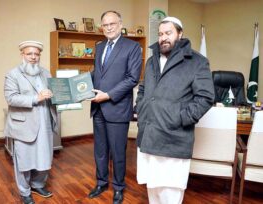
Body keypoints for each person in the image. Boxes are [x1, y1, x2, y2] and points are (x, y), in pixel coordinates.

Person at [136, 17, 215, 204]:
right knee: (153, 190)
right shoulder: (151, 60)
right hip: (149, 135)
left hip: (174, 138)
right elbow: (143, 89)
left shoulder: (197, 62)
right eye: (161, 34)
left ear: (180, 34)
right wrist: (141, 107)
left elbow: (205, 98)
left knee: (170, 194)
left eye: (168, 33)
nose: (163, 38)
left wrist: (180, 118)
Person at [89, 10, 142, 204]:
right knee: (100, 151)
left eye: (112, 23)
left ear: (120, 24)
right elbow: (98, 74)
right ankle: (101, 182)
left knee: (118, 152)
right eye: (105, 24)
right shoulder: (100, 46)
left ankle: (119, 187)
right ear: (101, 27)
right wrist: (79, 86)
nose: (109, 27)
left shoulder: (133, 47)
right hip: (98, 109)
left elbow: (132, 78)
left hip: (116, 107)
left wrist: (109, 95)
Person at [4, 40, 58, 204]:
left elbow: (54, 92)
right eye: (29, 54)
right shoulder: (13, 74)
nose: (33, 57)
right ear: (22, 55)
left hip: (45, 121)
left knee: (44, 157)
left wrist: (59, 94)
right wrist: (37, 97)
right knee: (24, 160)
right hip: (24, 124)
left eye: (36, 54)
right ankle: (25, 192)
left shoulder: (45, 72)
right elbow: (11, 98)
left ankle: (37, 184)